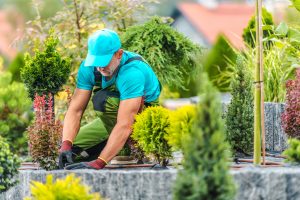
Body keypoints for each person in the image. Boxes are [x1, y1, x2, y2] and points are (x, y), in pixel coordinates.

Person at [58, 29, 161, 170]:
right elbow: (76, 110)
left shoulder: (132, 72)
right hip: (113, 117)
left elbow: (125, 124)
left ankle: (129, 150)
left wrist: (100, 162)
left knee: (103, 100)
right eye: (96, 61)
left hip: (143, 115)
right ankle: (111, 148)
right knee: (72, 152)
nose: (100, 67)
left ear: (119, 54)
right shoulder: (89, 68)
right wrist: (66, 144)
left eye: (104, 62)